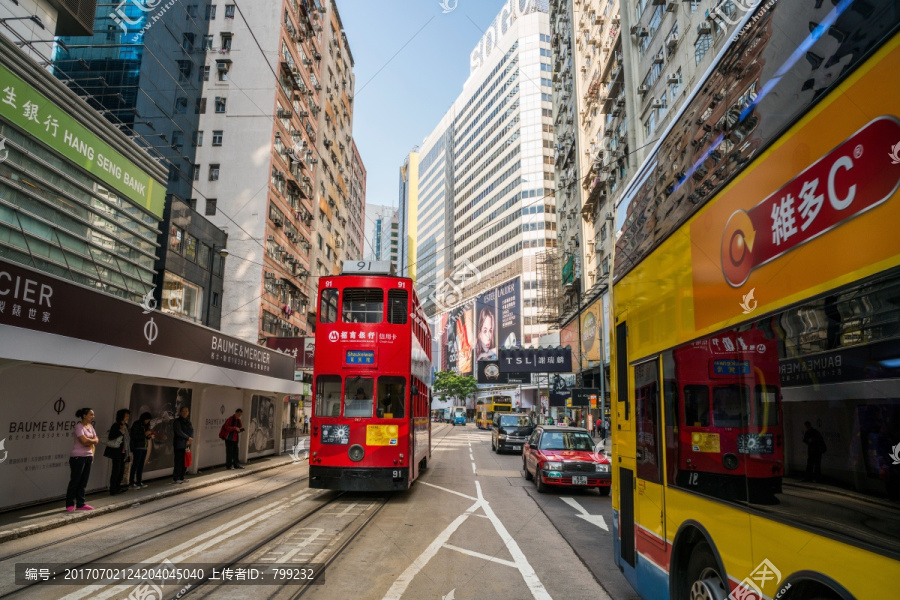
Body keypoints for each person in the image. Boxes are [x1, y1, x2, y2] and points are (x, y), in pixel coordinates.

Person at [66, 407, 99, 512]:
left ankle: (81, 503)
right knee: (75, 481)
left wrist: (90, 440)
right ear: (84, 415)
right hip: (78, 457)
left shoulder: (90, 427)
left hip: (88, 456)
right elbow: (83, 441)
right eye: (91, 414)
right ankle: (70, 504)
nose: (93, 416)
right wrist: (91, 440)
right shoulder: (78, 427)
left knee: (83, 481)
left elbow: (97, 440)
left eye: (93, 415)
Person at [107, 409, 131, 495]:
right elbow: (111, 437)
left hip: (124, 452)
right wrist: (121, 431)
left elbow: (127, 439)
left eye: (128, 416)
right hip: (116, 451)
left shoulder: (126, 425)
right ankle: (112, 489)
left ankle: (118, 487)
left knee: (121, 471)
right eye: (126, 416)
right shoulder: (116, 425)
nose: (127, 417)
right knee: (116, 471)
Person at [130, 412, 154, 489]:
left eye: (148, 420)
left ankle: (139, 481)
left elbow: (145, 436)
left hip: (144, 447)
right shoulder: (137, 424)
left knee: (141, 465)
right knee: (135, 465)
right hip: (138, 447)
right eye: (146, 419)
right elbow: (134, 435)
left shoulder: (146, 425)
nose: (147, 421)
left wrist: (149, 436)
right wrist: (145, 434)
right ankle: (131, 482)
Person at [172, 406, 194, 484]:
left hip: (186, 444)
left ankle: (182, 476)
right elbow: (179, 432)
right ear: (180, 412)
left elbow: (191, 431)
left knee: (185, 461)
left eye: (186, 411)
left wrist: (190, 438)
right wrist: (188, 438)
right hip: (179, 444)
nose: (185, 413)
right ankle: (176, 477)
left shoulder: (188, 422)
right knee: (178, 461)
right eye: (183, 411)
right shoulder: (177, 421)